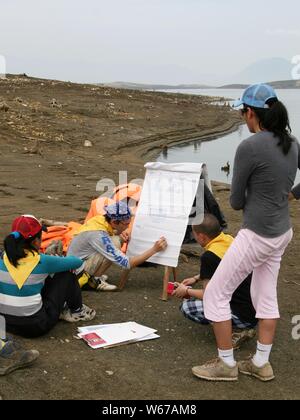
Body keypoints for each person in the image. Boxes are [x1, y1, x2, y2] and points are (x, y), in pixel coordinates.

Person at [192, 84, 300, 382]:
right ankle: (261, 363)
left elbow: (237, 202)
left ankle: (226, 365)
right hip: (281, 232)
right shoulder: (292, 142)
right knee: (264, 295)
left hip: (258, 234)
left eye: (243, 113)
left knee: (216, 294)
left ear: (251, 113)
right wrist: (292, 193)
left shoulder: (249, 147)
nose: (243, 118)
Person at [0, 215, 96, 338]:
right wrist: (57, 259)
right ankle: (77, 312)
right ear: (35, 241)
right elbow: (77, 262)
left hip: (6, 323)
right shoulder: (42, 261)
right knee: (66, 274)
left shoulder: (3, 257)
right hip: (35, 326)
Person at [173, 214, 257, 348]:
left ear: (201, 237)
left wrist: (187, 290)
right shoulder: (228, 239)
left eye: (194, 234)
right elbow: (224, 267)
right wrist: (196, 278)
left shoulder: (209, 257)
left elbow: (209, 295)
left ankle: (233, 333)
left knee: (187, 307)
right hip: (256, 308)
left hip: (242, 314)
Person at [67, 201, 168, 290]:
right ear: (114, 222)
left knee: (116, 240)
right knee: (115, 243)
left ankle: (94, 277)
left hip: (76, 264)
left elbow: (106, 237)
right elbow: (128, 263)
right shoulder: (98, 234)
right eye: (126, 224)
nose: (128, 226)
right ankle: (93, 281)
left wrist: (119, 235)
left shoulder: (100, 220)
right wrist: (154, 250)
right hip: (76, 275)